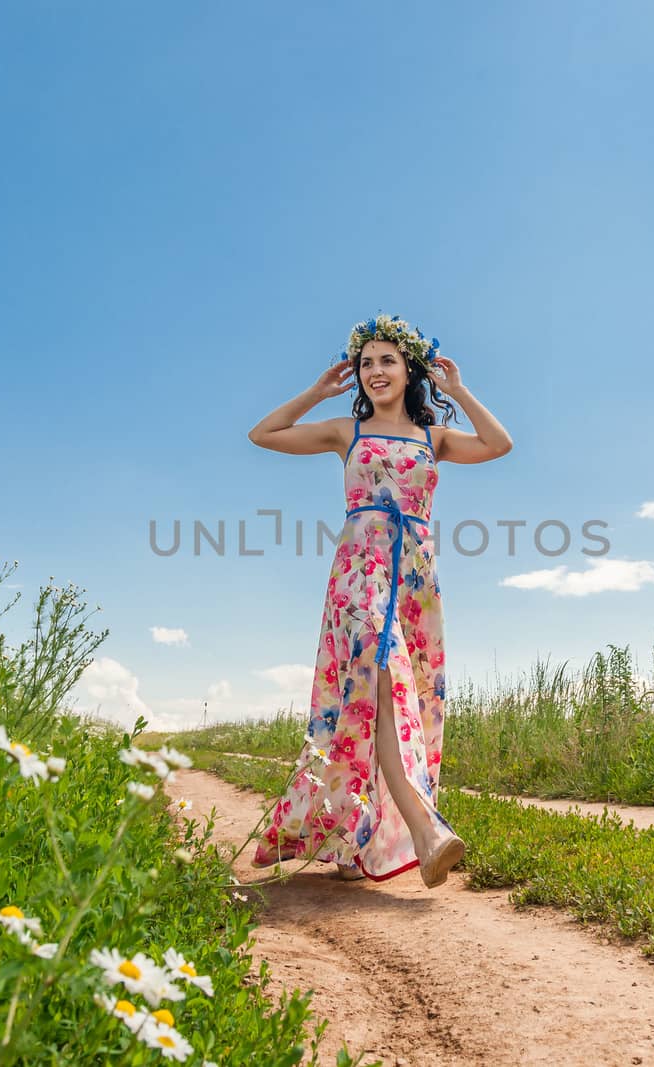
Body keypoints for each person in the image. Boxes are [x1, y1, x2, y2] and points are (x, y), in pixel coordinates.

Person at [245, 313, 513, 887]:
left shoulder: (432, 438)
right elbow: (263, 434)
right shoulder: (346, 432)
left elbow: (499, 443)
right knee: (380, 687)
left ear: (409, 369)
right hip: (359, 576)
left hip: (414, 581)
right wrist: (316, 394)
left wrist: (458, 391)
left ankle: (354, 838)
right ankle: (426, 830)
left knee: (394, 696)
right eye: (366, 363)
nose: (374, 371)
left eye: (387, 360)